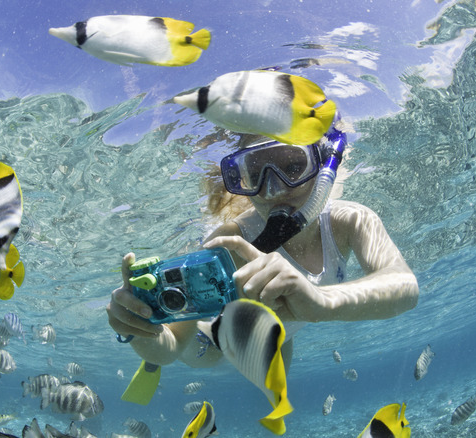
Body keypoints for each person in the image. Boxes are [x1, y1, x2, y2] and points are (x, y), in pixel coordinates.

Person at [106, 118, 419, 370]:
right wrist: (140, 330)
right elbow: (170, 349)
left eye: (293, 166)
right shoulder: (229, 242)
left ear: (323, 169)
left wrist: (320, 301)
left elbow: (404, 285)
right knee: (210, 359)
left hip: (279, 336)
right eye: (256, 173)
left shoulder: (351, 220)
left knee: (280, 369)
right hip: (213, 342)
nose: (273, 190)